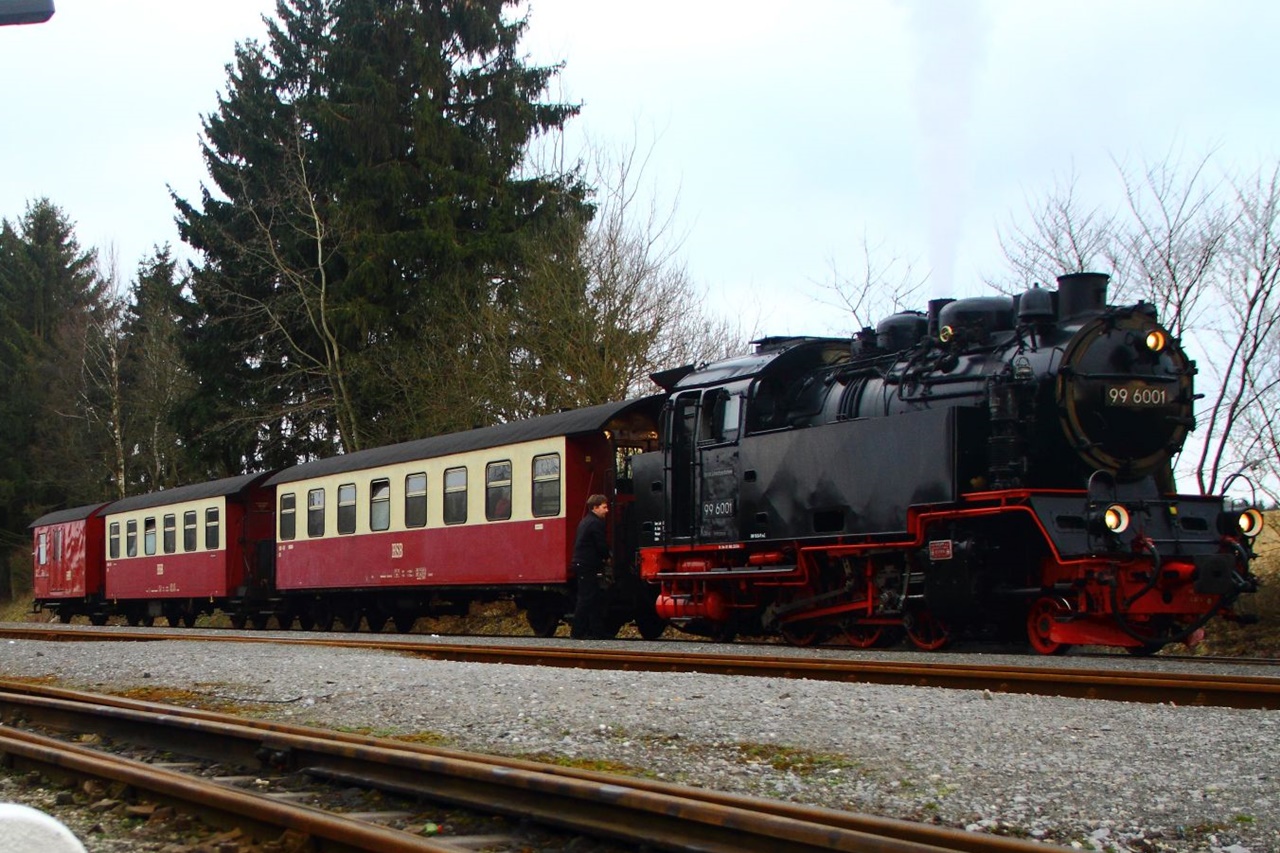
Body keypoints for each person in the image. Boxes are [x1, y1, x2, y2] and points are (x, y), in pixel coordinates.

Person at [570, 494, 611, 639]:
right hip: (588, 564)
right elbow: (601, 545)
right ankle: (577, 632)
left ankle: (596, 632)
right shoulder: (596, 523)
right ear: (595, 507)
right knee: (586, 598)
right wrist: (608, 557)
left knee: (592, 598)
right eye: (604, 507)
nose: (607, 510)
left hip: (583, 563)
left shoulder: (586, 521)